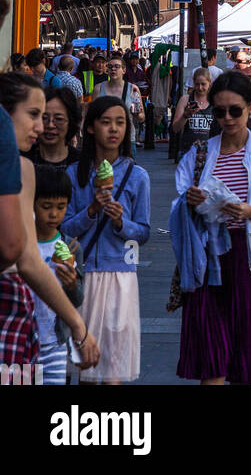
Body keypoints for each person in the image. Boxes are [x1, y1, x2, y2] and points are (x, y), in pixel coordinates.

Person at [175, 70, 251, 385]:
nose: (227, 118)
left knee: (246, 364)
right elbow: (177, 211)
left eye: (235, 110)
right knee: (212, 362)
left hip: (246, 261)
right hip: (207, 260)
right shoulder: (200, 153)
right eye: (219, 111)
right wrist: (188, 201)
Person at [0, 72, 99, 374]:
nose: (41, 127)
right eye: (33, 115)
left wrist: (77, 324)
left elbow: (29, 260)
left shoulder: (25, 170)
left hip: (19, 315)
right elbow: (21, 252)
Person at [64, 96, 150, 384]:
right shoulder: (74, 175)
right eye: (105, 122)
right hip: (82, 275)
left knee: (114, 369)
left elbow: (143, 232)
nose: (113, 129)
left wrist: (119, 222)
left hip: (121, 276)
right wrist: (91, 211)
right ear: (90, 128)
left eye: (120, 122)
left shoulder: (138, 176)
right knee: (86, 368)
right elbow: (63, 230)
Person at [31, 164, 85, 385]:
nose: (54, 214)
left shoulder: (71, 247)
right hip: (21, 340)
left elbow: (78, 299)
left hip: (55, 343)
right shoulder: (21, 246)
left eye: (61, 207)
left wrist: (72, 284)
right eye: (46, 206)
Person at [96, 55, 145, 154]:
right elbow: (92, 115)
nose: (113, 69)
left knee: (127, 168)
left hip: (127, 139)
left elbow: (142, 117)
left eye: (117, 66)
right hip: (104, 139)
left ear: (124, 70)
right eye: (110, 67)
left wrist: (137, 114)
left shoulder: (133, 89)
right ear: (107, 70)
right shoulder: (98, 88)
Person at [28, 86, 81, 169]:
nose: (50, 125)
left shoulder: (80, 163)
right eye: (44, 118)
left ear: (71, 122)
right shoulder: (22, 160)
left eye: (59, 119)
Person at [171, 69, 215, 156]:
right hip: (188, 152)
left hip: (209, 153)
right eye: (197, 84)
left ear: (209, 82)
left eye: (203, 84)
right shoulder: (185, 100)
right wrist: (185, 116)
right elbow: (175, 128)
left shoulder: (215, 101)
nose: (200, 88)